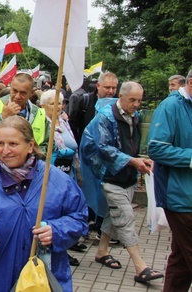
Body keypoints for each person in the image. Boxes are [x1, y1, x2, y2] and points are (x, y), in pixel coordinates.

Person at [0, 116, 87, 292]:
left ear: (30, 145)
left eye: (13, 144)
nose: (5, 150)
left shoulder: (56, 180)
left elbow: (80, 217)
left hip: (44, 280)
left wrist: (57, 230)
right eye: (0, 143)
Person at [80, 81, 164, 283]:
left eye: (139, 101)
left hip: (126, 177)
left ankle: (101, 251)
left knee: (112, 214)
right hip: (108, 177)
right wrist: (132, 161)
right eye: (132, 100)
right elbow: (104, 148)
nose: (136, 104)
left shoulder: (135, 117)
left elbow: (133, 146)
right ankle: (140, 266)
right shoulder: (105, 118)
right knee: (125, 217)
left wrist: (140, 160)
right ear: (122, 97)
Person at [148, 68, 192, 291]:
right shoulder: (171, 106)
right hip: (180, 197)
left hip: (187, 196)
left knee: (181, 263)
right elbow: (155, 148)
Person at [40, 89, 86, 260]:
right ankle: (52, 250)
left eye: (60, 103)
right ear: (43, 105)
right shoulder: (42, 123)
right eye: (53, 103)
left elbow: (73, 145)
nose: (58, 107)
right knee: (51, 211)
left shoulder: (64, 122)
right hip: (51, 175)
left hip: (68, 173)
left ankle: (63, 248)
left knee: (64, 210)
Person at [0, 72, 48, 173]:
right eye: (14, 91)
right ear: (10, 87)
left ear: (31, 93)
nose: (17, 96)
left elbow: (46, 147)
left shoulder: (40, 114)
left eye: (23, 93)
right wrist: (2, 117)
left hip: (27, 177)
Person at [68, 71, 118, 147]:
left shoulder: (117, 104)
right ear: (98, 86)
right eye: (107, 87)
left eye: (114, 88)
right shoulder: (85, 101)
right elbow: (73, 126)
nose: (111, 91)